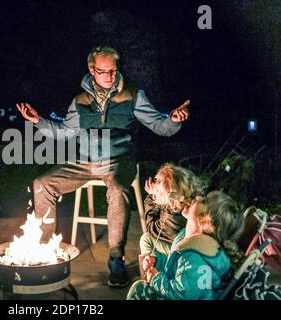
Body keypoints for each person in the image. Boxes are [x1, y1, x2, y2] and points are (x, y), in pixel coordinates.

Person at [16, 46, 190, 287]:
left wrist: (173, 120)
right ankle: (45, 250)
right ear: (91, 70)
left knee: (118, 190)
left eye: (113, 71)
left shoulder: (132, 95)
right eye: (103, 71)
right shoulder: (80, 100)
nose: (109, 76)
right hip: (84, 162)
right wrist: (38, 121)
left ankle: (116, 258)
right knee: (42, 184)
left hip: (119, 160)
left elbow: (160, 125)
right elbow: (65, 132)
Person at [127, 191, 246, 300]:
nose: (197, 197)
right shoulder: (191, 240)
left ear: (205, 222)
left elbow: (182, 295)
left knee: (138, 290)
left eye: (203, 201)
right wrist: (157, 260)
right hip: (179, 290)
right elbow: (178, 267)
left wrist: (156, 279)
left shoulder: (194, 257)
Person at [138, 163, 205, 278]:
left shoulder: (171, 213)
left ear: (170, 198)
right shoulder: (192, 203)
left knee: (146, 239)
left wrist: (150, 198)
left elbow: (152, 228)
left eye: (158, 194)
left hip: (179, 252)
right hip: (189, 247)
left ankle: (149, 276)